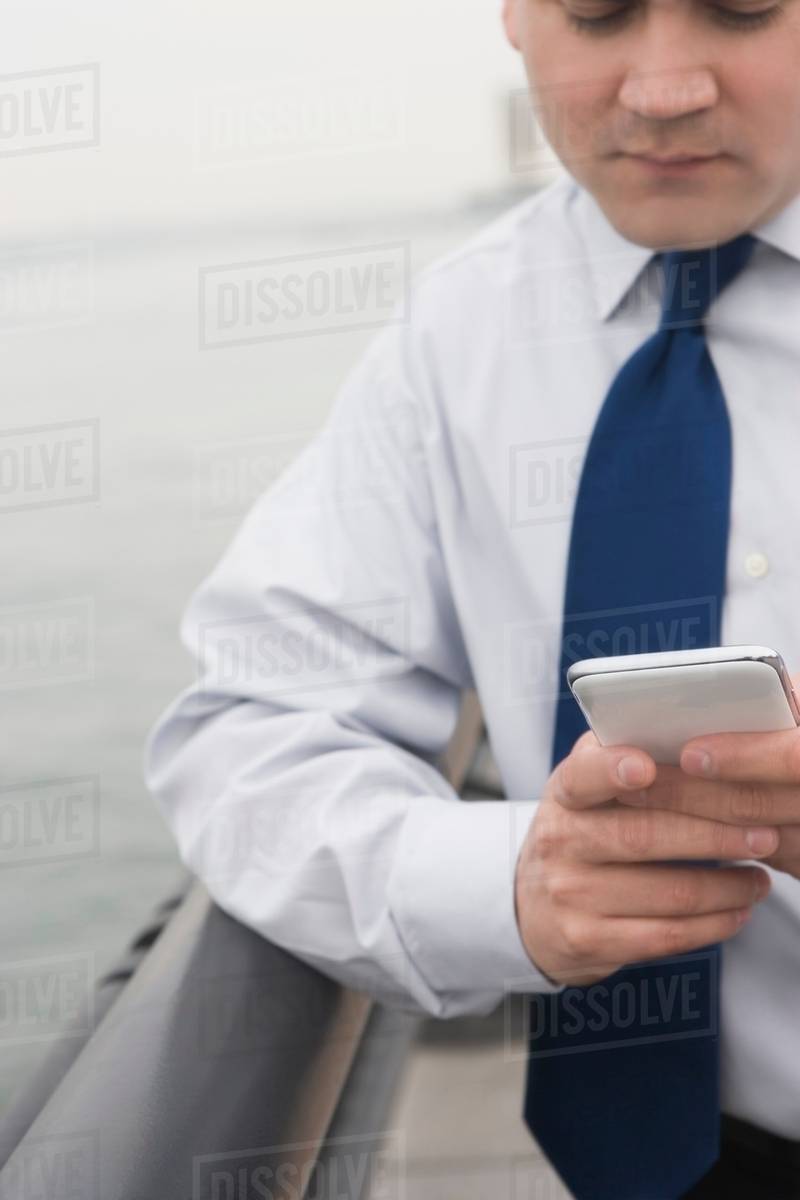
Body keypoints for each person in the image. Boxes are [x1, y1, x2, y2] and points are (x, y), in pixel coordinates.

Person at [145, 0, 800, 1195]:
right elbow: (249, 728)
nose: (662, 88)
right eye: (596, 11)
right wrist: (507, 883)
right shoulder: (457, 338)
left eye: (740, 5)